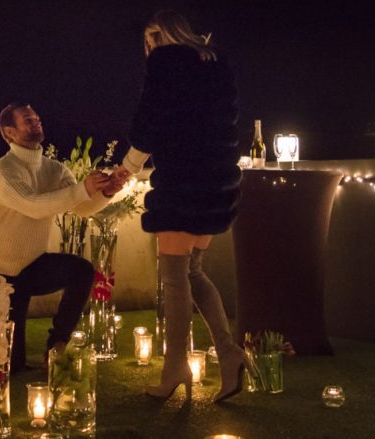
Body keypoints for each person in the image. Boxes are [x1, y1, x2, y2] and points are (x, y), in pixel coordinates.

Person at [114, 10, 246, 402]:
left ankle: (175, 367)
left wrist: (126, 169)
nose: (148, 48)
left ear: (159, 35)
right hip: (217, 181)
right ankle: (228, 352)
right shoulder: (216, 63)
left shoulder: (165, 62)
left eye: (149, 40)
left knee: (173, 277)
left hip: (183, 181)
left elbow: (150, 122)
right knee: (193, 273)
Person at [0, 102, 124, 372]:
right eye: (28, 120)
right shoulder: (2, 171)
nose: (37, 123)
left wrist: (105, 192)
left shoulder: (55, 169)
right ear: (9, 132)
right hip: (1, 271)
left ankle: (57, 345)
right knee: (9, 366)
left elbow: (82, 208)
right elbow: (32, 205)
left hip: (35, 264)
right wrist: (82, 188)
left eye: (37, 118)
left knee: (81, 271)